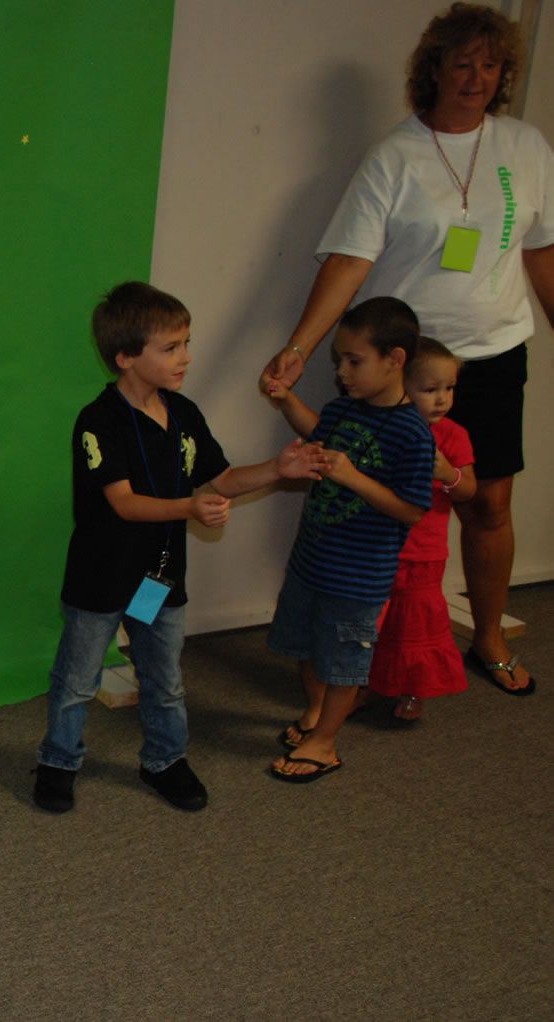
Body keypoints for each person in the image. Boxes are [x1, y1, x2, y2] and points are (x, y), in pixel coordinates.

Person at [260, 3, 552, 696]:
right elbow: (348, 263)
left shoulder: (525, 146)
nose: (476, 77)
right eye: (462, 64)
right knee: (372, 507)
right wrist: (299, 347)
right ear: (432, 71)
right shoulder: (394, 155)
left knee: (488, 503)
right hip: (402, 370)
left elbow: (540, 251)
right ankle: (359, 663)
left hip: (493, 351)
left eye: (489, 65)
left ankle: (484, 637)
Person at [33, 281, 328, 813]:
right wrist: (190, 508)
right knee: (77, 680)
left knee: (163, 678)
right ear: (125, 358)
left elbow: (223, 477)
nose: (185, 357)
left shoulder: (185, 413)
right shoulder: (97, 421)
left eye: (186, 343)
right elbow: (123, 503)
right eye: (170, 348)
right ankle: (58, 760)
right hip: (101, 577)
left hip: (159, 578)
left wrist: (277, 470)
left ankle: (166, 760)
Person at [266, 298, 435, 782]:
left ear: (395, 359)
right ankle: (315, 713)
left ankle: (325, 744)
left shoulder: (412, 433)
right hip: (311, 561)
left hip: (358, 578)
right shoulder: (344, 409)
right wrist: (283, 398)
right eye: (339, 360)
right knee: (305, 645)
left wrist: (356, 478)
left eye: (354, 361)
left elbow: (412, 509)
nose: (342, 371)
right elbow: (317, 429)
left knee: (343, 663)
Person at [269, 336, 476, 728]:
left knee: (410, 625)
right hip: (370, 553)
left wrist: (447, 471)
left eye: (449, 389)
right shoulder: (371, 422)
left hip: (422, 553)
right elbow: (320, 430)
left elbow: (468, 490)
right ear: (400, 383)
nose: (442, 399)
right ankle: (358, 686)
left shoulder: (450, 435)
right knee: (359, 627)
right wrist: (285, 398)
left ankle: (412, 688)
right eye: (430, 390)